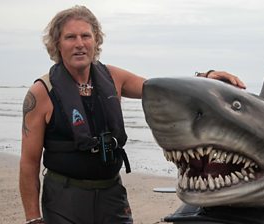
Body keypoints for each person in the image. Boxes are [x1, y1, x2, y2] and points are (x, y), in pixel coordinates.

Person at [19, 5, 246, 224]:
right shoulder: (42, 93)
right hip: (64, 199)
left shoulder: (114, 78)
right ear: (58, 44)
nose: (79, 44)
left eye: (85, 36)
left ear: (96, 40)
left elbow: (161, 90)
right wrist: (33, 218)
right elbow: (29, 163)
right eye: (70, 37)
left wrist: (205, 76)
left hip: (111, 194)